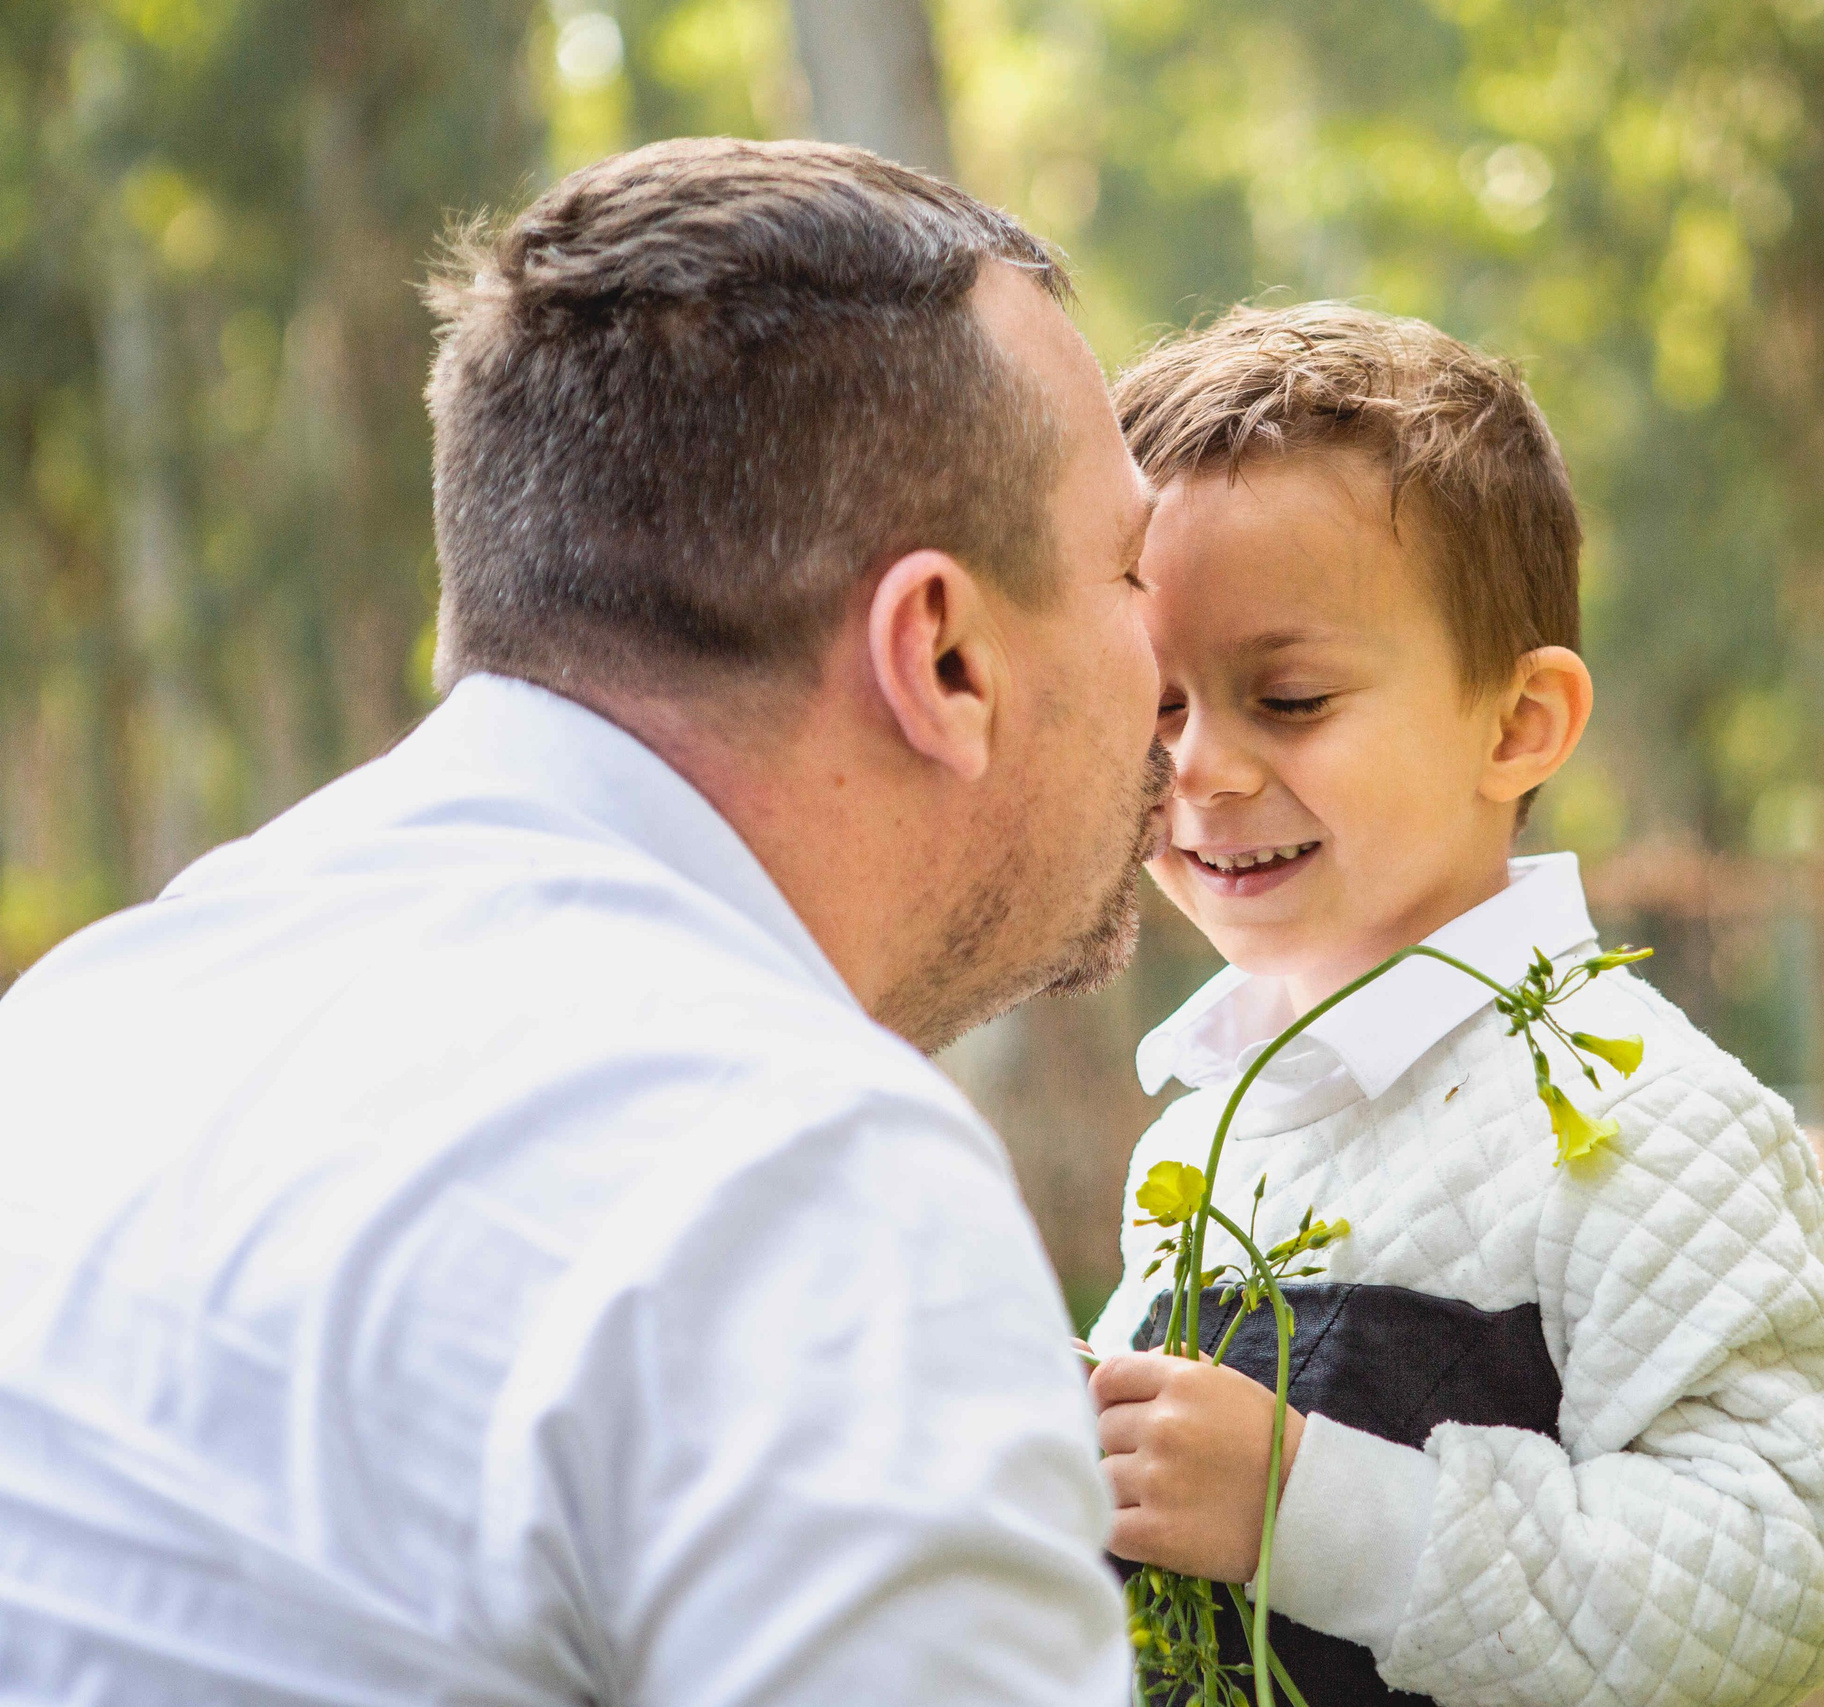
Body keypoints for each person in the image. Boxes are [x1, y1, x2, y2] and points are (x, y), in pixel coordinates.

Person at [0, 139, 1164, 1705]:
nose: (1177, 677)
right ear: (942, 656)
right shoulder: (800, 1186)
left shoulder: (88, 1026)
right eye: (1131, 567)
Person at [1083, 304, 1824, 1706]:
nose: (1202, 770)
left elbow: (1782, 1570)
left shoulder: (1634, 1112)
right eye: (1158, 709)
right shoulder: (1198, 1141)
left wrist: (1305, 1510)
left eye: (1287, 697)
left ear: (1518, 726)